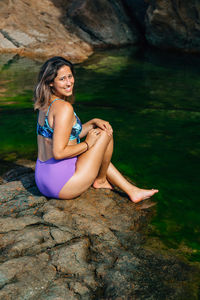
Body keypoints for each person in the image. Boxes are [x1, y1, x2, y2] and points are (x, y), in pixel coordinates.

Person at [34, 56, 158, 202]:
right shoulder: (64, 108)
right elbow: (59, 153)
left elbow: (66, 135)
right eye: (62, 79)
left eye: (70, 76)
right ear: (50, 82)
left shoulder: (45, 104)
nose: (69, 83)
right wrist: (88, 144)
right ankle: (101, 180)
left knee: (98, 129)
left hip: (43, 178)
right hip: (62, 185)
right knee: (104, 133)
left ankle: (132, 190)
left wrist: (93, 122)